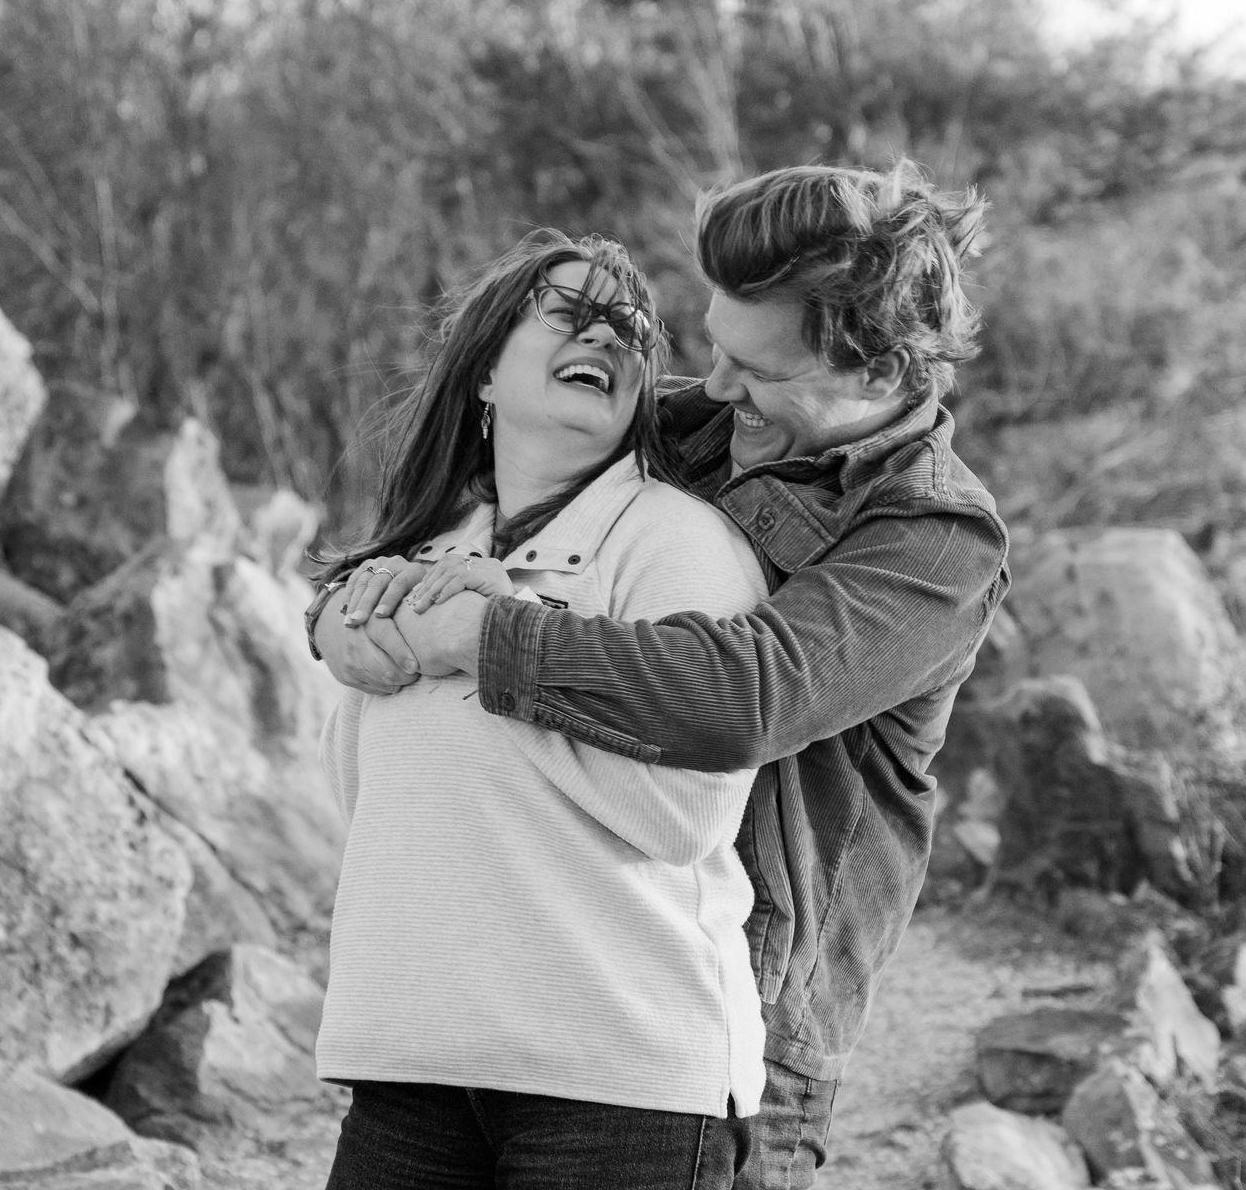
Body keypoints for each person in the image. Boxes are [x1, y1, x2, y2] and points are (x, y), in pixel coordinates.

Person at [315, 162, 1011, 1189]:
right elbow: (472, 515)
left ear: (876, 374)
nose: (715, 390)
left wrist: (481, 633)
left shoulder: (934, 536)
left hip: (749, 1010)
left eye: (756, 372)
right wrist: (345, 612)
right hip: (528, 975)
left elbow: (746, 694)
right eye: (712, 349)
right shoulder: (700, 425)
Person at [312, 230, 773, 1190]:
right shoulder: (415, 565)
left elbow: (683, 814)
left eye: (633, 332)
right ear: (483, 370)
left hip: (619, 1080)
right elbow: (364, 802)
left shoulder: (678, 547)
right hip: (414, 1066)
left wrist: (498, 642)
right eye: (572, 314)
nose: (608, 337)